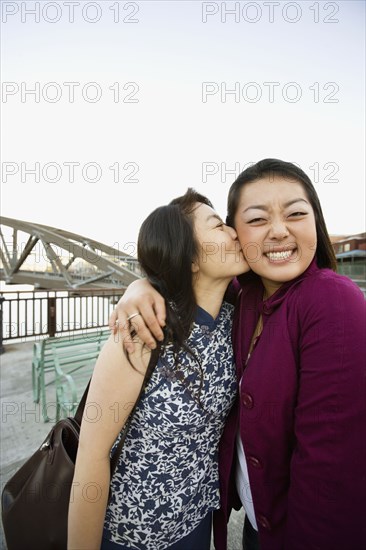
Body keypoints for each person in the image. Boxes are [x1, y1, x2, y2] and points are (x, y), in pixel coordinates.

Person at [110, 159, 366, 550]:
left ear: (317, 220)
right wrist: (140, 285)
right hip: (252, 522)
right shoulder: (243, 298)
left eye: (296, 213)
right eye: (258, 220)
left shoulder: (331, 301)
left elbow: (328, 473)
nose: (280, 231)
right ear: (235, 232)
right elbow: (186, 271)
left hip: (297, 532)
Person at [68, 188, 249, 550]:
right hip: (129, 533)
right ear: (190, 257)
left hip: (196, 524)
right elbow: (92, 455)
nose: (234, 231)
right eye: (217, 225)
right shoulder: (144, 332)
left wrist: (139, 284)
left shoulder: (238, 319)